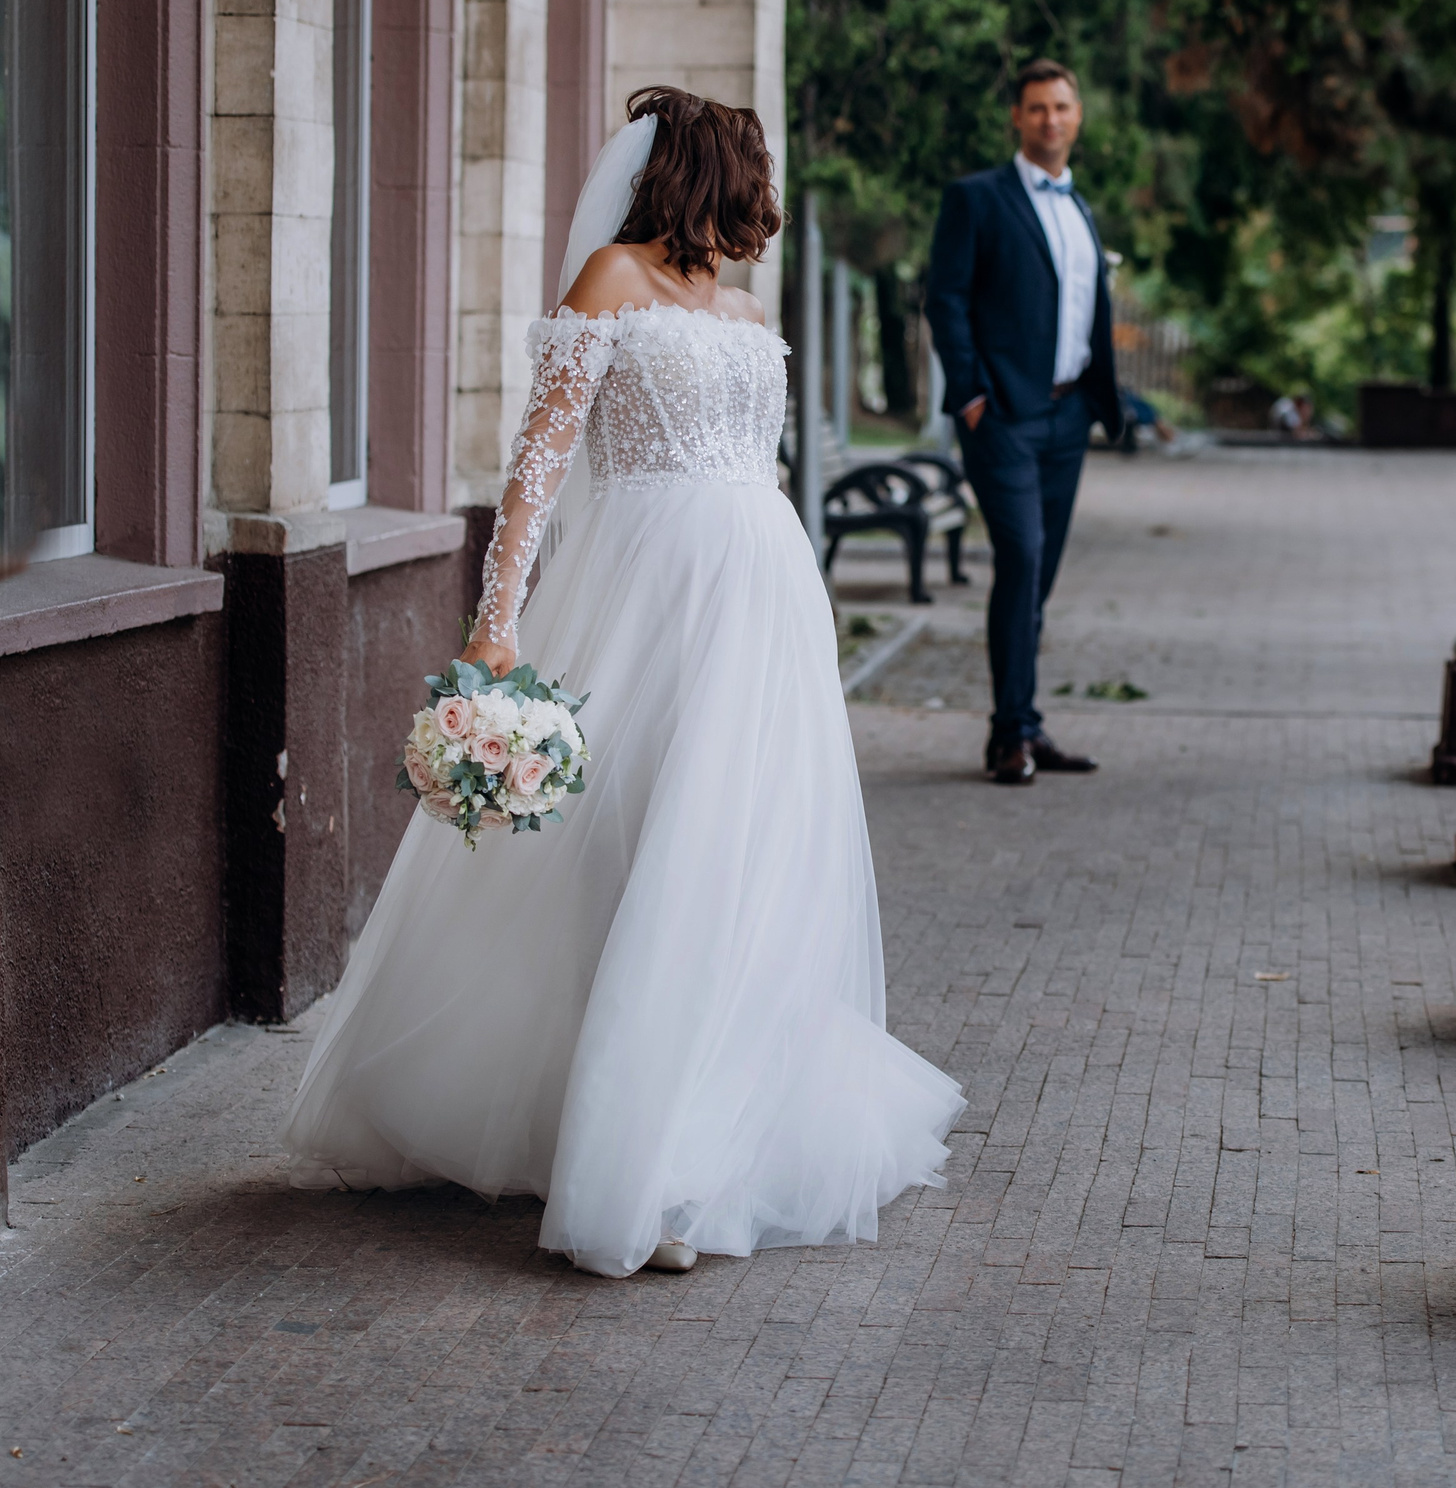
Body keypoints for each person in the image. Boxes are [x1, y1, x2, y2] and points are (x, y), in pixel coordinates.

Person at [283, 89, 963, 1278]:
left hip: (763, 605)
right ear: (709, 175)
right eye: (752, 172)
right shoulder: (609, 279)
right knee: (637, 848)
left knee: (743, 857)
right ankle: (631, 1150)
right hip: (650, 599)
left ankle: (705, 1141)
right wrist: (495, 624)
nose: (766, 198)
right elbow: (539, 463)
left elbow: (758, 466)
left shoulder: (750, 313)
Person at [923, 60, 1124, 784]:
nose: (1050, 119)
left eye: (1062, 107)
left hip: (1069, 418)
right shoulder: (976, 198)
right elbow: (944, 297)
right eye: (1037, 108)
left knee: (1039, 576)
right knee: (1022, 559)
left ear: (1078, 115)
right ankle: (1009, 734)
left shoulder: (1078, 207)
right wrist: (973, 396)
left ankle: (1026, 722)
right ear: (1017, 116)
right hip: (1003, 417)